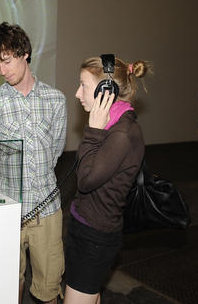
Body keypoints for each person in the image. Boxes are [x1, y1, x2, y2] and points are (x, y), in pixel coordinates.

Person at [0, 22, 67, 304]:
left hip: (47, 209)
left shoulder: (56, 100)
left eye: (6, 61)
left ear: (24, 53)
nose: (2, 71)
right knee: (6, 288)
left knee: (49, 289)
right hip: (6, 209)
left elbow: (55, 151)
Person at [64, 56, 149, 304]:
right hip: (85, 226)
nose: (78, 93)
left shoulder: (121, 133)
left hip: (95, 237)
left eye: (84, 86)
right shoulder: (111, 125)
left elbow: (85, 181)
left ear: (106, 91)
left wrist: (93, 132)